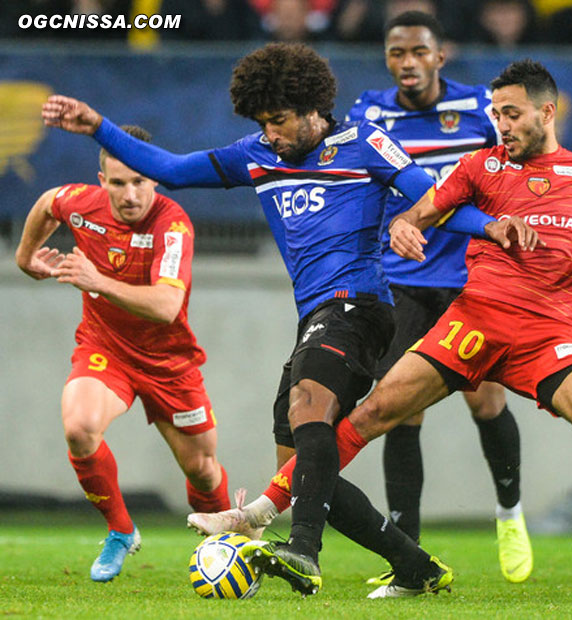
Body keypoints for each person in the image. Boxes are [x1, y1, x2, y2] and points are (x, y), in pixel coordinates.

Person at [42, 43, 531, 599]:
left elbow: (434, 198)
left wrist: (490, 226)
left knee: (307, 407)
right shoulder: (256, 155)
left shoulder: (364, 144)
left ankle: (303, 551)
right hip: (315, 318)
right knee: (301, 474)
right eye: (263, 122)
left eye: (278, 120)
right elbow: (171, 171)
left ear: (312, 108)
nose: (270, 132)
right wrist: (98, 127)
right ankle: (414, 565)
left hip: (362, 308)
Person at [250, 58, 572, 603]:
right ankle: (265, 510)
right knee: (373, 414)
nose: (501, 124)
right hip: (475, 321)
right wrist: (400, 228)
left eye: (512, 114)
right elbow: (420, 210)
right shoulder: (480, 167)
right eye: (495, 114)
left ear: (546, 112)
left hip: (548, 333)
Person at [346, 10, 532, 585]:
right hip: (400, 280)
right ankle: (409, 554)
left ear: (439, 56)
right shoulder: (368, 114)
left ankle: (509, 511)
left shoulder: (480, 108)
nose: (408, 63)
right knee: (401, 408)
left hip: (472, 278)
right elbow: (356, 179)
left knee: (486, 401)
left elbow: (521, 168)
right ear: (387, 58)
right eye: (397, 53)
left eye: (418, 52)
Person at [13, 125, 231, 583]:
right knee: (79, 428)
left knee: (204, 471)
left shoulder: (173, 225)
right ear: (101, 180)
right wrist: (25, 257)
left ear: (155, 178)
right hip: (105, 349)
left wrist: (99, 282)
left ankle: (225, 540)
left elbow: (167, 306)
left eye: (139, 181)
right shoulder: (82, 203)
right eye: (117, 183)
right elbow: (49, 200)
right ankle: (120, 530)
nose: (129, 194)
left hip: (169, 362)